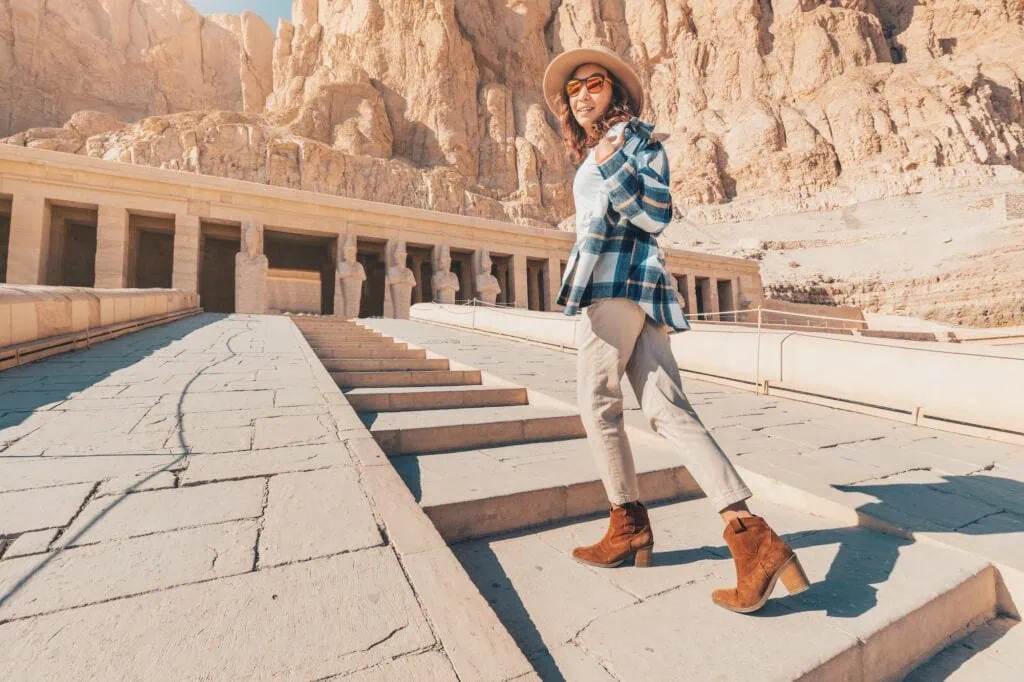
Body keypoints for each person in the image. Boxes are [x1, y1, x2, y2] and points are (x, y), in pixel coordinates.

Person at [542, 46, 809, 614]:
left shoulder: (635, 142)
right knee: (667, 409)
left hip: (616, 284)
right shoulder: (603, 146)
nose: (583, 95)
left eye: (594, 83)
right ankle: (752, 536)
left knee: (597, 403)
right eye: (573, 89)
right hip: (638, 288)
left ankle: (627, 525)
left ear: (615, 89)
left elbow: (656, 215)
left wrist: (610, 161)